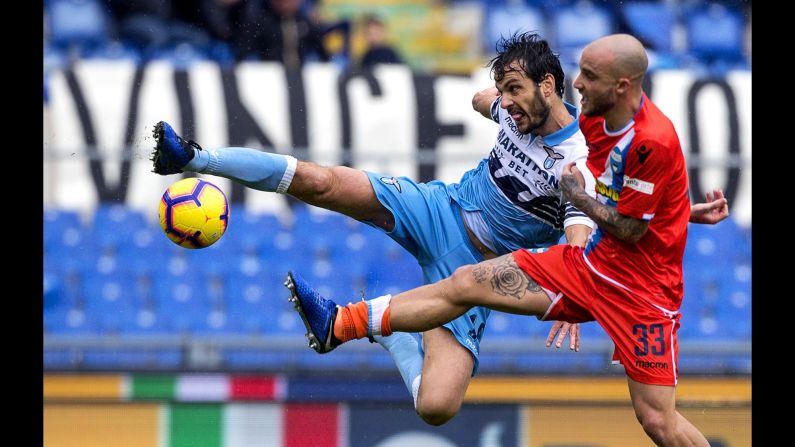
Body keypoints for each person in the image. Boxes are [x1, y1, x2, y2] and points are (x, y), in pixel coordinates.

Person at [287, 34, 720, 445]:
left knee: (657, 419)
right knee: (466, 282)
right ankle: (342, 324)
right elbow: (628, 199)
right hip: (587, 266)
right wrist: (680, 212)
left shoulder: (653, 141)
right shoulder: (593, 116)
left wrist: (581, 201)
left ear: (622, 86)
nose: (580, 82)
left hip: (642, 294)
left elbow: (630, 227)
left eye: (589, 74)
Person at [152, 32, 599, 426]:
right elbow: (482, 100)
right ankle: (192, 157)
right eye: (502, 90)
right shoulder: (510, 108)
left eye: (514, 90)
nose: (504, 102)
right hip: (438, 209)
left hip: (476, 270)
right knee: (322, 182)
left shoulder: (578, 160)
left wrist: (571, 295)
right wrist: (501, 95)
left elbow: (578, 233)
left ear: (548, 86)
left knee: (436, 407)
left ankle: (394, 335)